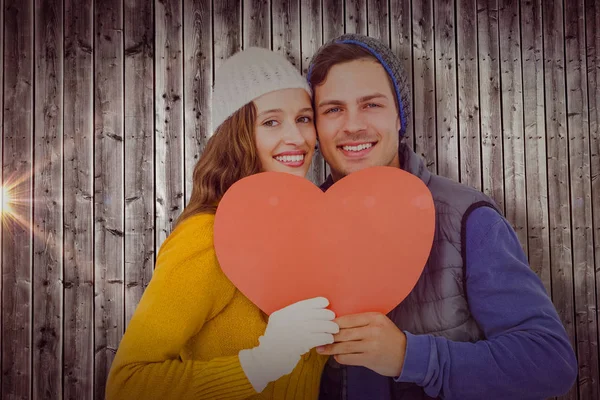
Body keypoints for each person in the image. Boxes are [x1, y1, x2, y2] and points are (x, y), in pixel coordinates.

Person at [306, 34, 578, 400]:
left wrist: (409, 356)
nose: (353, 125)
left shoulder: (468, 219)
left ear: (399, 116)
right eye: (333, 109)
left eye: (371, 104)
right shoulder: (301, 227)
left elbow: (550, 363)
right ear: (316, 128)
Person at [105, 47, 340, 400]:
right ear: (238, 134)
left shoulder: (304, 233)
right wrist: (260, 363)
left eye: (304, 118)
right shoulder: (205, 236)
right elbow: (126, 385)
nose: (297, 138)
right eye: (271, 121)